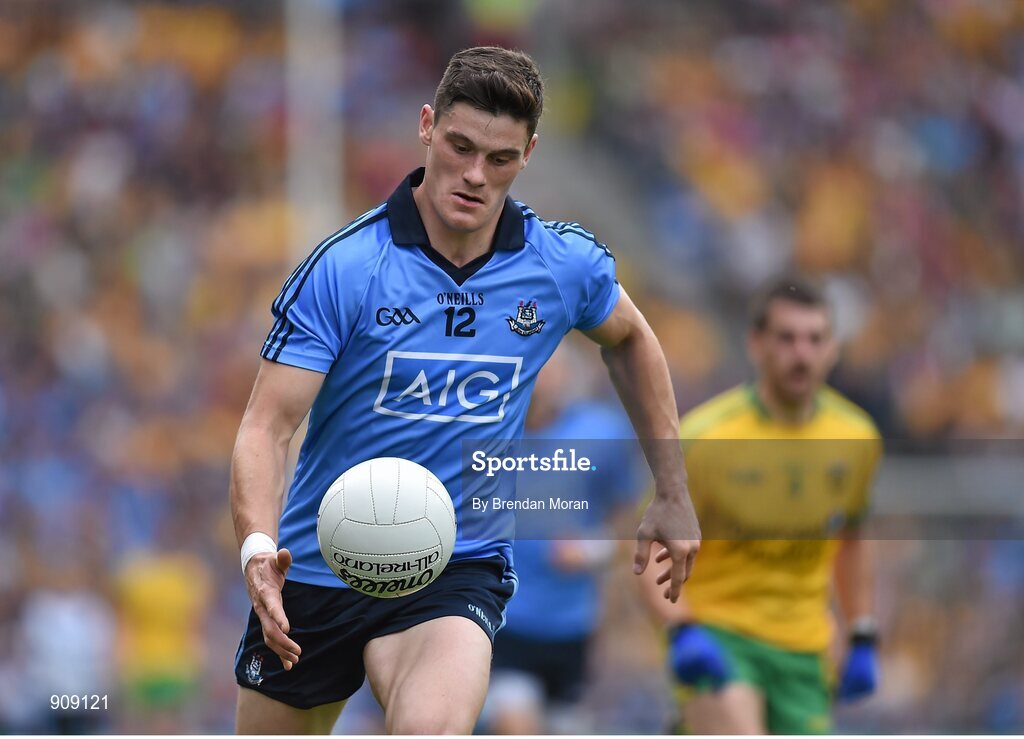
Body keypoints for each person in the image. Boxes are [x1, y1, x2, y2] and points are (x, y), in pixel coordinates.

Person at [230, 46, 700, 734]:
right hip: (318, 564)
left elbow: (630, 337)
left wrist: (672, 488)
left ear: (529, 153)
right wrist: (256, 552)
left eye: (501, 158)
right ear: (427, 126)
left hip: (457, 563)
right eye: (461, 146)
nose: (476, 175)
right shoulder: (346, 267)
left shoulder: (560, 265)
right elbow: (265, 428)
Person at [642, 278, 882, 734]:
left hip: (805, 652)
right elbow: (652, 545)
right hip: (721, 638)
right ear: (756, 344)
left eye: (815, 339)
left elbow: (851, 537)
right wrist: (681, 630)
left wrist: (862, 631)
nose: (802, 354)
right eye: (787, 338)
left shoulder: (857, 439)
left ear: (833, 349)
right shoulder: (704, 437)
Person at [483, 345, 641, 734]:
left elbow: (628, 527)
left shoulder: (602, 434)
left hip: (572, 626)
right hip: (501, 620)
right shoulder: (484, 432)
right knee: (515, 721)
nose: (538, 380)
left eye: (548, 368)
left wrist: (592, 550)